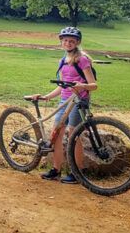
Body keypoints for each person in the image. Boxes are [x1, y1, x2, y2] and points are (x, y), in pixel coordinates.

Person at [29, 26, 97, 184]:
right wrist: (47, 96)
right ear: (61, 42)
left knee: (74, 135)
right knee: (56, 134)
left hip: (79, 101)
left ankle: (77, 172)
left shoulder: (82, 59)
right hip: (64, 101)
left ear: (77, 42)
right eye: (65, 40)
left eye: (72, 41)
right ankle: (56, 170)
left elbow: (94, 85)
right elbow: (62, 86)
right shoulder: (63, 61)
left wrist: (82, 86)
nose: (68, 43)